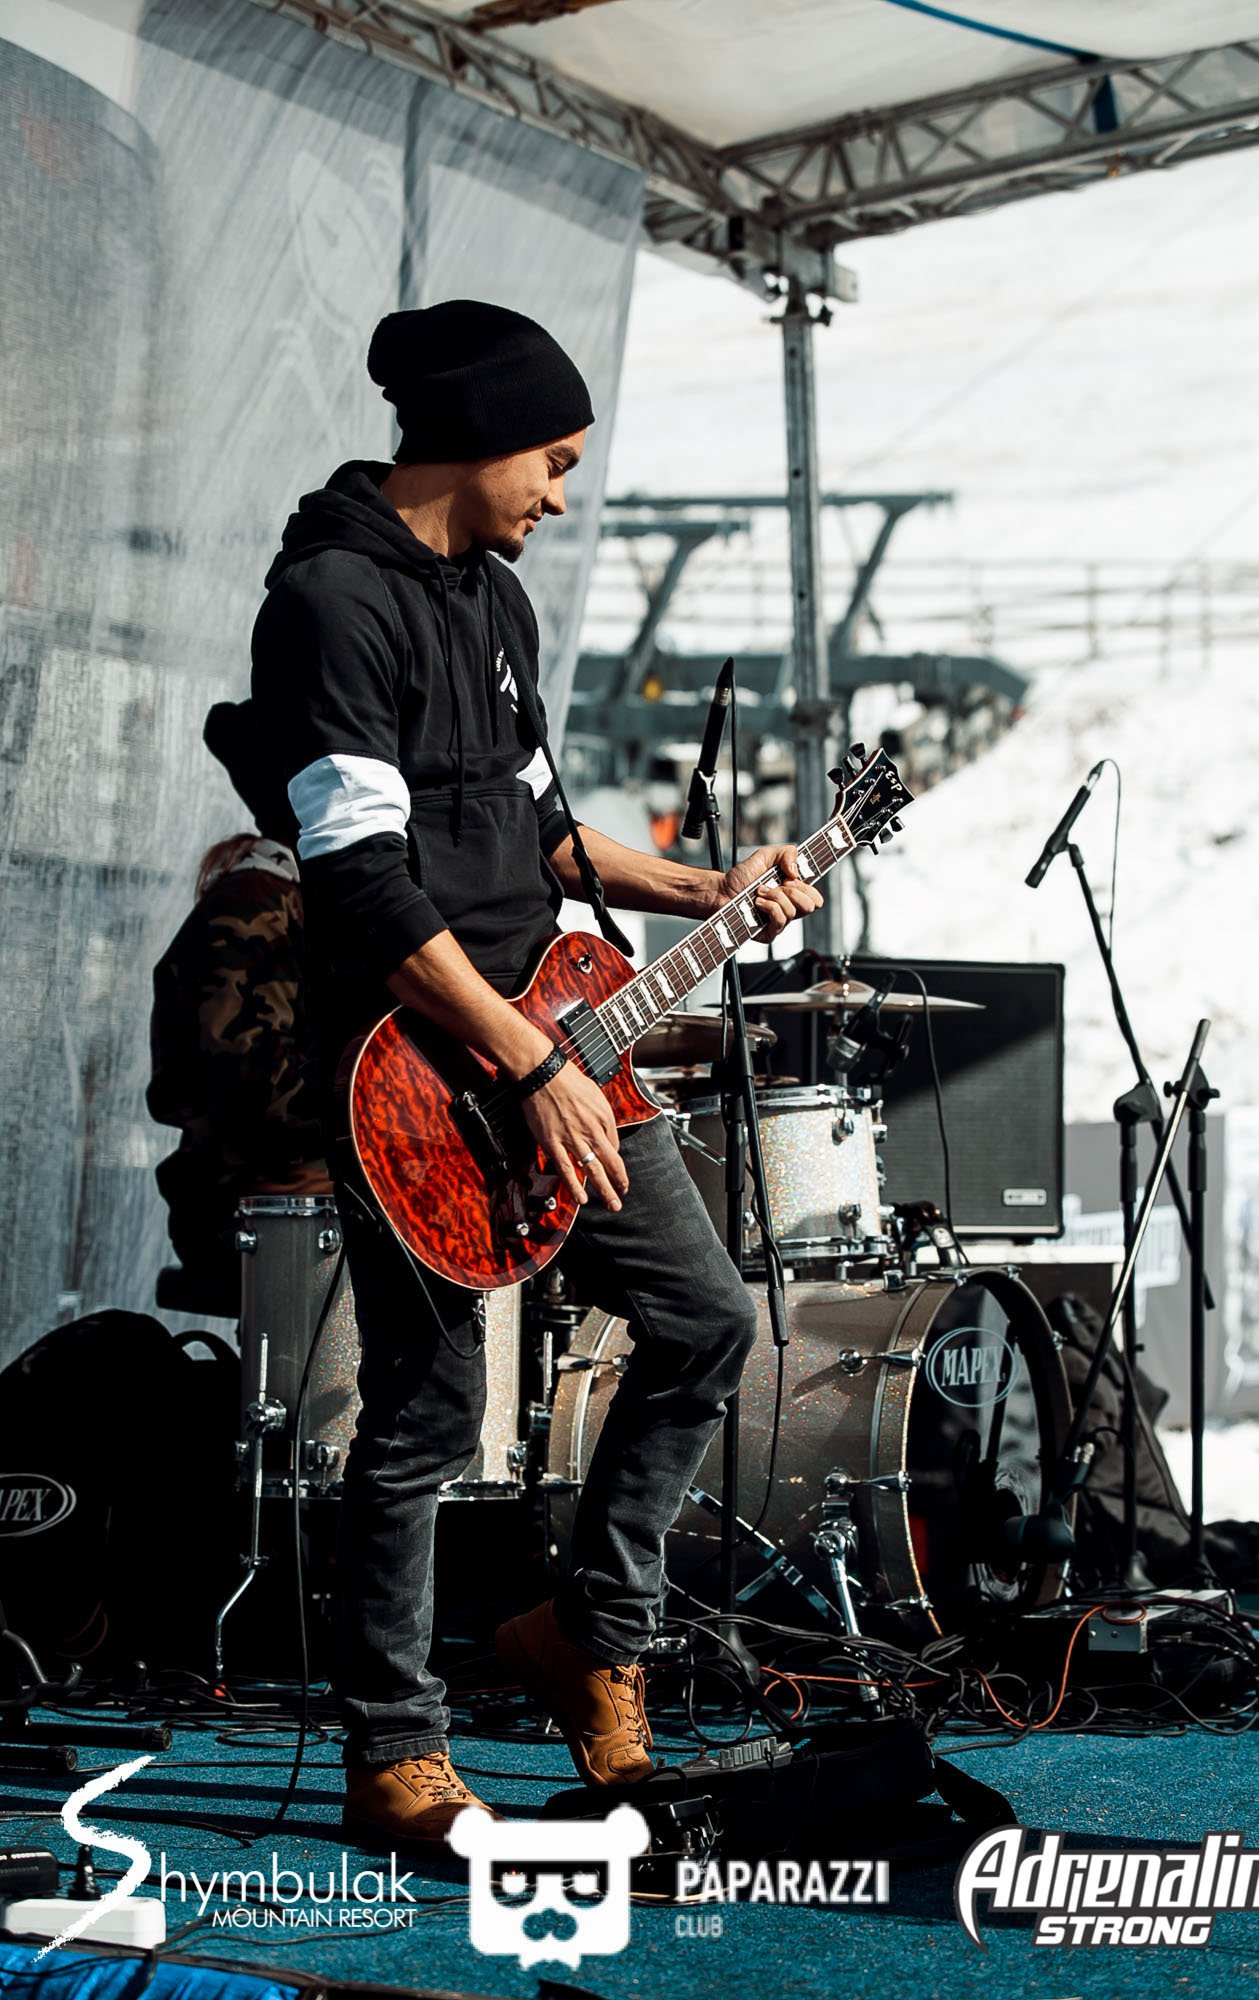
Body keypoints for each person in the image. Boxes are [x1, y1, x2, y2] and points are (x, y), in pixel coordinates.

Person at [250, 299, 822, 1853]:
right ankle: (394, 1748)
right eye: (553, 461)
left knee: (705, 1317)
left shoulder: (494, 602)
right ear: (479, 437)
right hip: (415, 1065)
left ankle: (586, 1635)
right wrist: (518, 1061)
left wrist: (707, 888)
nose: (561, 494)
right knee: (427, 1412)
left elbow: (535, 834)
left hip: (550, 1034)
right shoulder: (329, 603)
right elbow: (360, 878)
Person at [147, 703, 330, 1315]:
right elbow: (260, 1095)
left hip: (292, 1193)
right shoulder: (254, 908)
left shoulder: (294, 901)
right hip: (252, 1201)